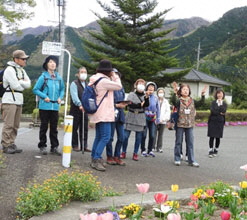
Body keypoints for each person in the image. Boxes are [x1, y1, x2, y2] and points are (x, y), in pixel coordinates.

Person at [89, 60, 122, 172]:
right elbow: (119, 86)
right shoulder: (103, 81)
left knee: (99, 136)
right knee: (106, 137)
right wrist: (116, 76)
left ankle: (94, 158)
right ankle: (96, 159)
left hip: (99, 111)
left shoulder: (96, 78)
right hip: (104, 113)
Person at [33, 56, 65, 156]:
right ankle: (42, 146)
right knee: (44, 127)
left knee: (54, 128)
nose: (53, 64)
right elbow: (35, 89)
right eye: (50, 62)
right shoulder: (43, 77)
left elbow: (62, 89)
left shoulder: (59, 77)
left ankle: (54, 147)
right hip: (44, 106)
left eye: (54, 62)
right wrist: (44, 96)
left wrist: (60, 97)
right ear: (46, 64)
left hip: (55, 106)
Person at [1, 50, 31, 154]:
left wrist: (20, 82)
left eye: (25, 59)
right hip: (9, 99)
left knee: (16, 124)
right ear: (16, 59)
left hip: (18, 100)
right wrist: (22, 83)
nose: (25, 61)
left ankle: (11, 143)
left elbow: (29, 84)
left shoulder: (22, 70)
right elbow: (15, 86)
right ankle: (5, 144)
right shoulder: (9, 70)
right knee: (9, 124)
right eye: (23, 59)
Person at [172, 83, 207, 167]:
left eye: (187, 89)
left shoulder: (192, 100)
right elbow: (173, 101)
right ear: (180, 91)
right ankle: (177, 158)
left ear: (189, 91)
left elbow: (201, 103)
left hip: (190, 124)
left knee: (190, 142)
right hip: (180, 123)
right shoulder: (179, 100)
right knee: (178, 142)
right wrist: (174, 93)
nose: (185, 91)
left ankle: (191, 160)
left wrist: (202, 95)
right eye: (183, 89)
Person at [121, 79, 150, 161]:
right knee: (125, 136)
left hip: (140, 116)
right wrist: (139, 104)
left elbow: (146, 105)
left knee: (138, 137)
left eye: (142, 84)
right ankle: (123, 152)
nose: (140, 85)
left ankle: (135, 153)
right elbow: (130, 104)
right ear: (135, 85)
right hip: (130, 115)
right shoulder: (131, 94)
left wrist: (147, 98)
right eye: (139, 83)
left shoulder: (145, 95)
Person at [105, 68, 129, 166]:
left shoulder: (121, 88)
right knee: (110, 137)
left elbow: (122, 98)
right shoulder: (109, 87)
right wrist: (116, 105)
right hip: (111, 113)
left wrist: (124, 104)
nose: (115, 77)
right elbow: (106, 102)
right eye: (113, 75)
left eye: (117, 75)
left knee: (121, 137)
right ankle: (109, 156)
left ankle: (117, 156)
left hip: (120, 114)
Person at [69, 67, 91, 152]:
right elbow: (74, 96)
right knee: (74, 128)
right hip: (75, 109)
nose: (83, 74)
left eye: (85, 72)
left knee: (84, 128)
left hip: (84, 110)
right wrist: (79, 104)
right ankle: (75, 145)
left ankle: (84, 145)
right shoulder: (74, 83)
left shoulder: (88, 84)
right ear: (78, 74)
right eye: (81, 72)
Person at [141, 82, 160, 157]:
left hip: (153, 117)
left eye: (152, 87)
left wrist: (158, 118)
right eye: (149, 86)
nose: (151, 88)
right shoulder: (144, 96)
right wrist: (146, 96)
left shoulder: (156, 97)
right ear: (147, 88)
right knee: (144, 134)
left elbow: (158, 108)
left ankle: (150, 150)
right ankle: (143, 149)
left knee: (152, 135)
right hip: (145, 116)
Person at [207, 89, 227, 158]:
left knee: (218, 137)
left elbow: (223, 110)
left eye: (221, 93)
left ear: (223, 95)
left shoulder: (224, 103)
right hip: (212, 121)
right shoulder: (213, 102)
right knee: (211, 136)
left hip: (220, 122)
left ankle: (216, 149)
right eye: (218, 93)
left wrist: (220, 105)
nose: (219, 95)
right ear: (216, 95)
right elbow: (212, 111)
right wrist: (220, 113)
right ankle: (210, 150)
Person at [154, 87, 171, 153]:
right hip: (155, 120)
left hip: (163, 121)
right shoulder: (155, 100)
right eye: (159, 92)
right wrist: (155, 118)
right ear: (157, 93)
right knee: (154, 134)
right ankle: (152, 147)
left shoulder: (166, 101)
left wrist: (164, 119)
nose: (161, 93)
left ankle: (159, 147)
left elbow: (168, 111)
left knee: (160, 135)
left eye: (162, 92)